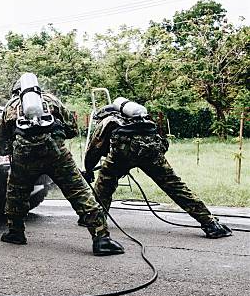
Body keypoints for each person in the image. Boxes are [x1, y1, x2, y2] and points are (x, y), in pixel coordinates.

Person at [0, 75, 125, 256]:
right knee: (79, 191)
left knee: (16, 192)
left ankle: (15, 233)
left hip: (24, 157)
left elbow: (0, 138)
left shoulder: (10, 106)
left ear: (16, 91)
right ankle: (101, 239)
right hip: (56, 154)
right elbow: (72, 128)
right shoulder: (51, 101)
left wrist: (9, 151)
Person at [83, 99, 232, 239]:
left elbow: (93, 150)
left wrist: (88, 170)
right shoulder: (141, 118)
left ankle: (95, 220)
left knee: (105, 183)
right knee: (175, 186)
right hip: (151, 151)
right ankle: (210, 223)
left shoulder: (107, 120)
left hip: (123, 152)